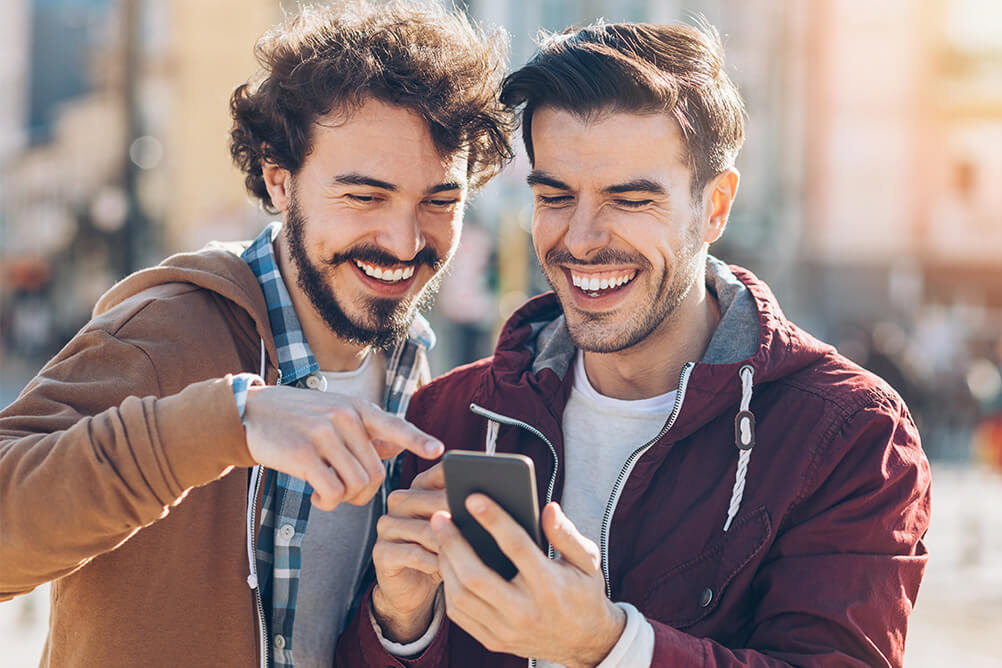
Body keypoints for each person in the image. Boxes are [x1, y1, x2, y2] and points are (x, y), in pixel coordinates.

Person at [338, 19, 931, 668]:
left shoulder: (850, 435)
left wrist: (607, 646)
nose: (584, 239)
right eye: (556, 196)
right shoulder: (447, 416)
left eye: (630, 200)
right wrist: (399, 623)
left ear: (715, 206)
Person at [0, 2, 511, 666]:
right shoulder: (167, 330)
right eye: (364, 196)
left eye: (440, 201)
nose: (404, 241)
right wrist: (229, 422)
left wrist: (403, 620)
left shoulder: (420, 378)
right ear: (279, 179)